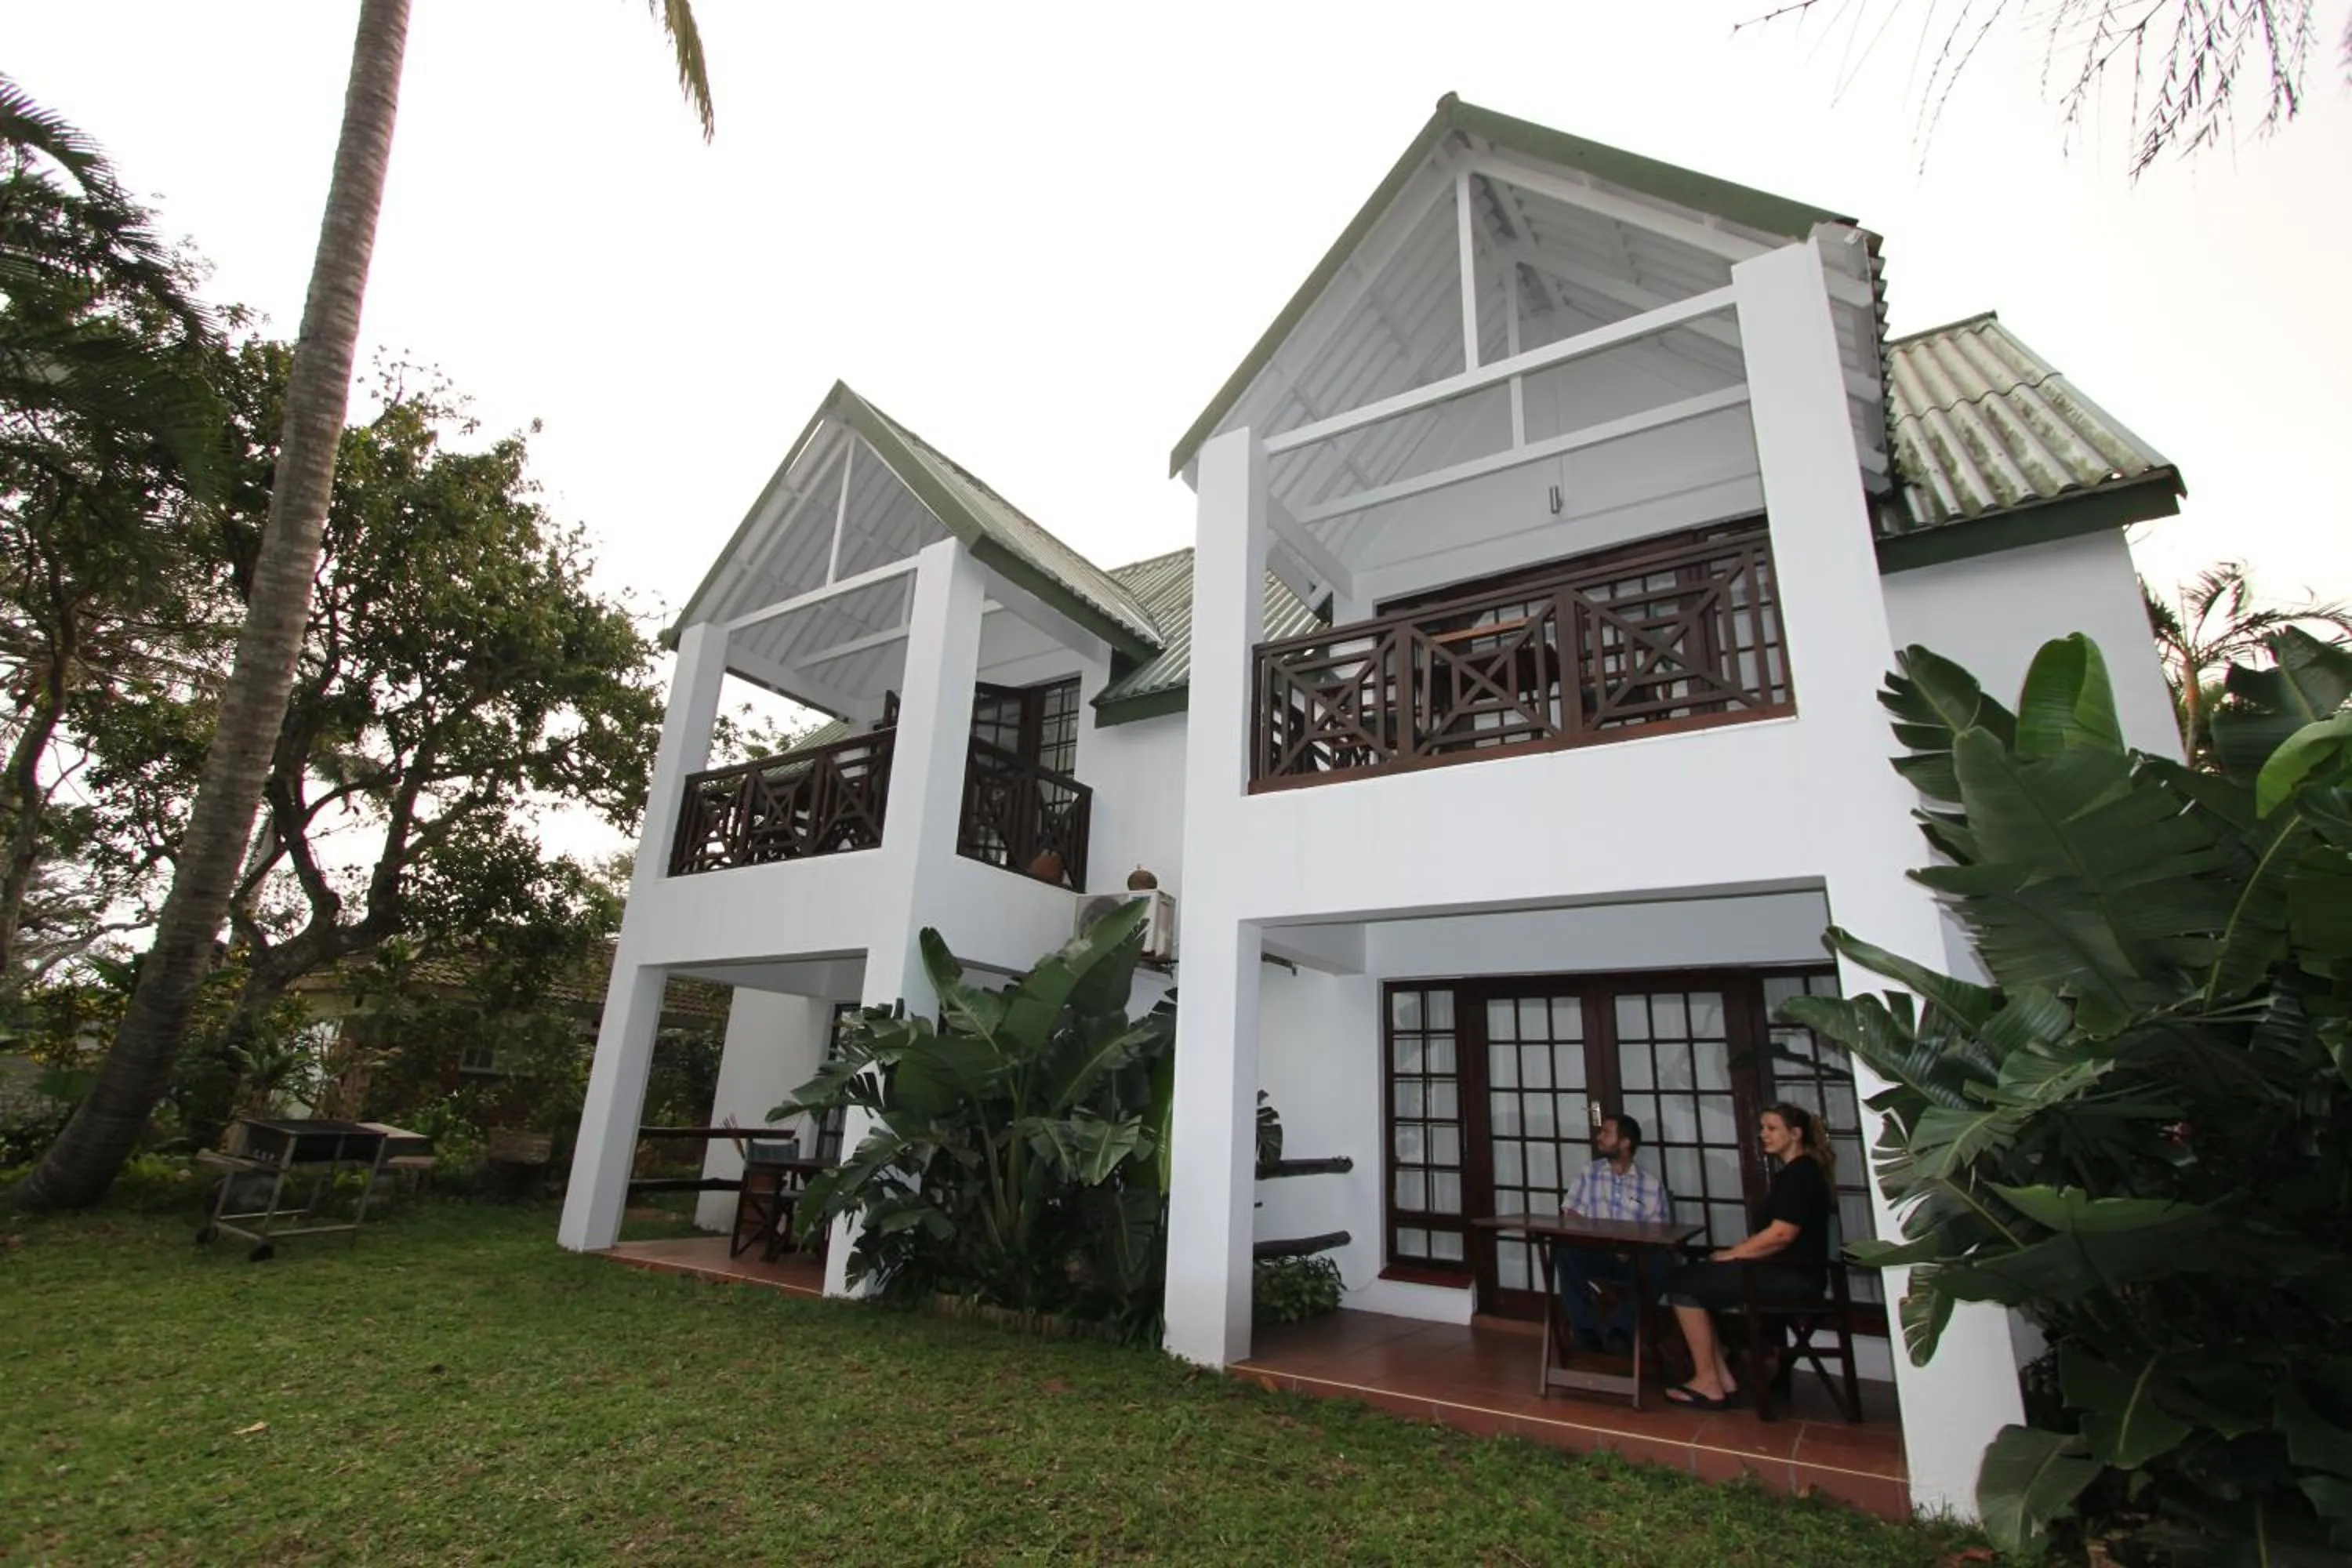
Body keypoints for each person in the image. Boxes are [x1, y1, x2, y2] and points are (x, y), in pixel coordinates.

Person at [1660, 1102, 1835, 1410]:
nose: (1763, 1134)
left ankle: (1708, 1380)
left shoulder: (1801, 1174)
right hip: (1783, 1271)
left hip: (1793, 1277)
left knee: (1683, 1282)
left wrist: (1734, 1255)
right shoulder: (1796, 1173)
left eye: (1772, 1128)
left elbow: (1781, 1235)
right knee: (1687, 1279)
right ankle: (1719, 1377)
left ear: (1796, 1134)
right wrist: (1734, 1254)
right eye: (1763, 1128)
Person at [1555, 1113, 1671, 1353]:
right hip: (1596, 1253)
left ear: (1625, 1142)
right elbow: (1571, 1214)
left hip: (1634, 1260)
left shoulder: (1651, 1185)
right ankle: (1587, 1333)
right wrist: (1600, 1240)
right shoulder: (1590, 1173)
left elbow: (1660, 1233)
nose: (1599, 1137)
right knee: (1565, 1251)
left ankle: (1621, 1329)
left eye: (1606, 1133)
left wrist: (1631, 1246)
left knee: (1664, 1261)